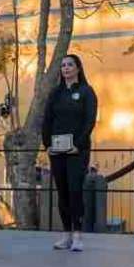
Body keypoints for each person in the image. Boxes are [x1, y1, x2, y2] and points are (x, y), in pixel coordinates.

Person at [42, 54, 98, 252]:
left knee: (75, 190)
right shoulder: (55, 93)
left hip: (77, 150)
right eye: (63, 65)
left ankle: (77, 234)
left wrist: (79, 143)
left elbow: (89, 120)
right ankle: (65, 234)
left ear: (78, 68)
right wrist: (47, 144)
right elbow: (47, 119)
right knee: (62, 191)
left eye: (70, 65)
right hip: (57, 150)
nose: (65, 68)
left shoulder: (86, 92)